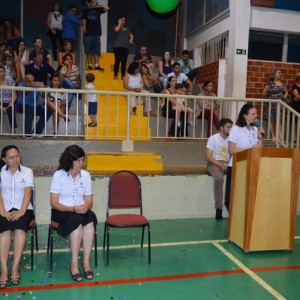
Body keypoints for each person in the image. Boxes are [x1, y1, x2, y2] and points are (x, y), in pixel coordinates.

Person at [50, 145, 97, 282]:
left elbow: (89, 199)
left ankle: (86, 262)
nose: (82, 163)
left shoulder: (86, 175)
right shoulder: (58, 175)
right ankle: (74, 264)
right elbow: (54, 203)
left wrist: (85, 207)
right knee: (76, 223)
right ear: (70, 161)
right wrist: (73, 209)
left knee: (89, 221)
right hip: (62, 210)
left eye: (83, 160)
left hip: (80, 210)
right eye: (79, 160)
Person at [0, 145, 34, 288]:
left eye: (17, 156)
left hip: (24, 208)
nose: (15, 160)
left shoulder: (27, 172)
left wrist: (21, 211)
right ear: (4, 159)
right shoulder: (0, 172)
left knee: (20, 229)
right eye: (11, 157)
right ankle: (4, 270)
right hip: (4, 207)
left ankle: (15, 268)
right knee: (4, 231)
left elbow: (28, 193)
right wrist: (2, 211)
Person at [224, 104, 265, 212]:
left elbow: (259, 148)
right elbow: (232, 150)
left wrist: (260, 136)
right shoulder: (236, 129)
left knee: (248, 196)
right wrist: (250, 149)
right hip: (237, 166)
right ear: (245, 115)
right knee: (234, 197)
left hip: (251, 165)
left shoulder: (255, 128)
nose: (256, 116)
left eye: (256, 114)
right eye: (253, 114)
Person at [205, 118, 233, 220]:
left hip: (228, 163)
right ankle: (219, 208)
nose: (230, 129)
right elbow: (208, 156)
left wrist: (228, 164)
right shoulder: (213, 138)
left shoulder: (231, 139)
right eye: (228, 127)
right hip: (214, 163)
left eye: (231, 127)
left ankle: (234, 207)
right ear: (221, 128)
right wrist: (221, 165)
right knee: (218, 179)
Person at [82, 0, 109, 71]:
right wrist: (84, 27)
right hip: (88, 33)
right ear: (86, 4)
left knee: (97, 50)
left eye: (90, 3)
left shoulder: (97, 9)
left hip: (97, 33)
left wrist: (97, 4)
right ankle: (89, 65)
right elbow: (84, 20)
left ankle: (97, 65)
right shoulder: (85, 11)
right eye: (87, 3)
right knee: (89, 50)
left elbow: (107, 8)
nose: (89, 4)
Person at [262, 69, 288, 142]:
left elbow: (286, 92)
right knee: (271, 120)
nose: (280, 74)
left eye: (280, 72)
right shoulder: (270, 83)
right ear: (274, 74)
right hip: (271, 105)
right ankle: (273, 136)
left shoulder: (282, 83)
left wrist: (285, 95)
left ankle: (281, 137)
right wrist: (269, 99)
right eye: (278, 72)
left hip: (279, 105)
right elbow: (264, 93)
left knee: (279, 121)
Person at [0, 65, 17, 133]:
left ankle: (13, 130)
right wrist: (1, 107)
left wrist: (11, 103)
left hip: (9, 101)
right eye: (0, 71)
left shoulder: (10, 81)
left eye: (3, 71)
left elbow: (15, 95)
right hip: (0, 102)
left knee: (10, 110)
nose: (3, 73)